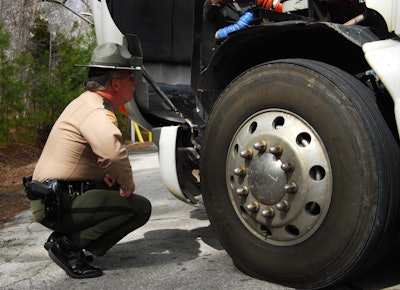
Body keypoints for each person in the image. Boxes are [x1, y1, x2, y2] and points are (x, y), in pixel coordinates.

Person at [29, 42, 152, 279]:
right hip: (58, 203)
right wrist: (127, 184)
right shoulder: (96, 111)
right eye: (130, 77)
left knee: (112, 185)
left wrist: (100, 175)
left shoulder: (85, 102)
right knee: (140, 208)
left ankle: (70, 242)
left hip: (54, 197)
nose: (134, 82)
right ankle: (68, 246)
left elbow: (81, 156)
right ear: (115, 83)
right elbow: (113, 154)